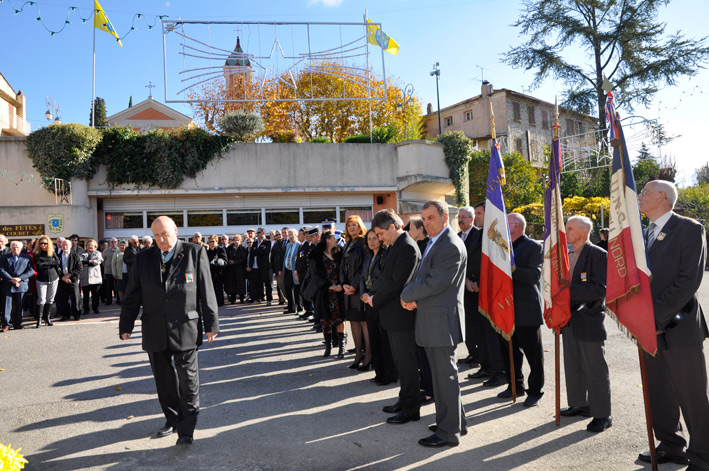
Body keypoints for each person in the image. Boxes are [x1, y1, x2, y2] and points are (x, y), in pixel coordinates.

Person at [119, 216, 219, 446]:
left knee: (188, 380)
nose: (161, 239)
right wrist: (126, 325)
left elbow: (207, 289)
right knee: (163, 381)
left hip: (185, 326)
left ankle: (186, 430)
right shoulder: (143, 258)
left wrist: (212, 324)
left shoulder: (194, 252)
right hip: (154, 328)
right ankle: (172, 419)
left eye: (165, 233)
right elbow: (133, 294)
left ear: (175, 230)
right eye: (156, 235)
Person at [637, 180, 709, 469]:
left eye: (644, 193)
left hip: (679, 327)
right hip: (647, 329)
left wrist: (654, 317)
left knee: (691, 395)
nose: (639, 197)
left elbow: (688, 281)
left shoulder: (690, 229)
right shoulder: (643, 234)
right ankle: (671, 445)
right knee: (659, 392)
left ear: (663, 197)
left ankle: (703, 456)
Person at [400, 200, 467, 448]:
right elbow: (429, 280)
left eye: (430, 217)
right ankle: (456, 422)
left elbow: (434, 282)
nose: (426, 223)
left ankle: (449, 432)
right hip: (434, 317)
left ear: (445, 216)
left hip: (440, 322)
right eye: (424, 219)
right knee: (443, 377)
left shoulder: (449, 244)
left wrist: (407, 295)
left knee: (444, 378)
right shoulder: (437, 241)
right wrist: (414, 299)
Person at [364, 209, 422, 425]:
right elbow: (385, 278)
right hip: (392, 314)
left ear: (392, 227)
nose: (379, 238)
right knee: (400, 361)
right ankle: (404, 399)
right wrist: (373, 295)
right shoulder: (396, 246)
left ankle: (411, 408)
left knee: (406, 363)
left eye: (380, 233)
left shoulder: (406, 247)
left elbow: (398, 283)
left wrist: (374, 300)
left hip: (401, 315)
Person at [560, 216, 612, 433]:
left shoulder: (598, 254)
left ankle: (602, 414)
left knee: (595, 368)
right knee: (573, 364)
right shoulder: (564, 254)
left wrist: (565, 294)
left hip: (588, 318)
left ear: (583, 231)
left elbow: (600, 289)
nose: (566, 232)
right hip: (568, 319)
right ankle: (579, 404)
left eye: (570, 228)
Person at [499, 213, 545, 407]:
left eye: (506, 223)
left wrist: (511, 267)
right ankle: (514, 385)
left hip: (526, 309)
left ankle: (535, 390)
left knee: (533, 353)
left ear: (516, 226)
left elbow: (534, 276)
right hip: (505, 308)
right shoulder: (500, 245)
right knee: (509, 351)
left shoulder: (534, 247)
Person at [466, 202, 507, 387]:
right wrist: (468, 280)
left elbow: (495, 264)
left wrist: (480, 283)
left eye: (479, 213)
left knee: (492, 334)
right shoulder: (475, 234)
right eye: (475, 213)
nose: (477, 216)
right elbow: (468, 259)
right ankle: (486, 365)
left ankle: (499, 370)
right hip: (473, 289)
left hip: (490, 291)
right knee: (479, 331)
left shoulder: (495, 234)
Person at [360, 228, 397, 382]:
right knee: (374, 339)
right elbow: (362, 276)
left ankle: (389, 375)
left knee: (384, 341)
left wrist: (372, 295)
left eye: (375, 238)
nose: (372, 241)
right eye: (369, 239)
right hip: (368, 301)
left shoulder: (385, 255)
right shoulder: (368, 256)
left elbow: (383, 279)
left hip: (380, 300)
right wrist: (363, 293)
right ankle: (379, 373)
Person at [309, 232, 345, 357]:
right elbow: (314, 274)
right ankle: (328, 347)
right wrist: (327, 286)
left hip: (339, 291)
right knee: (326, 320)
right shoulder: (316, 254)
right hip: (325, 292)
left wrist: (341, 284)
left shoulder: (340, 252)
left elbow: (344, 270)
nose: (336, 240)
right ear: (328, 240)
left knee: (340, 318)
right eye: (334, 238)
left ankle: (341, 347)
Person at [340, 215, 369, 370]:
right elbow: (342, 267)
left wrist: (354, 286)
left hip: (359, 289)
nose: (351, 228)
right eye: (349, 225)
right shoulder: (347, 243)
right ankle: (358, 355)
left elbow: (364, 268)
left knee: (363, 322)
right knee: (353, 322)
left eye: (354, 225)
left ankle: (368, 356)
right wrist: (344, 284)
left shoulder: (363, 243)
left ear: (360, 227)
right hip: (348, 290)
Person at [456, 206, 480, 367]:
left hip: (476, 286)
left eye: (464, 217)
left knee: (476, 322)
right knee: (466, 323)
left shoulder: (478, 235)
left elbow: (479, 261)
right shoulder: (457, 237)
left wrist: (475, 281)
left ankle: (480, 355)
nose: (460, 220)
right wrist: (464, 280)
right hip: (462, 286)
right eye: (459, 217)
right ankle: (472, 353)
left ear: (472, 219)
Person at [0, 241, 35, 330]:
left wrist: (20, 278)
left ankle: (18, 323)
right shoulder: (4, 257)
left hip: (21, 284)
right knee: (6, 306)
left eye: (17, 247)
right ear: (10, 248)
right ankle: (6, 324)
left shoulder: (26, 258)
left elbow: (31, 271)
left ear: (21, 248)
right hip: (8, 284)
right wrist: (11, 279)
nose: (16, 249)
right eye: (14, 247)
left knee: (20, 305)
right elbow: (1, 270)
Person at [32, 235, 60, 328]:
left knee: (50, 299)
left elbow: (58, 262)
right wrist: (51, 262)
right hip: (41, 279)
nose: (43, 245)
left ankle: (47, 318)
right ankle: (39, 320)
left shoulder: (51, 252)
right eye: (41, 243)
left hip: (53, 277)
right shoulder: (36, 253)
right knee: (41, 300)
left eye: (45, 243)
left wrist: (46, 263)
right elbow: (39, 266)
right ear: (38, 244)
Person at [57, 239, 82, 321]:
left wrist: (69, 275)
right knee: (64, 298)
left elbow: (79, 268)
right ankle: (65, 315)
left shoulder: (75, 255)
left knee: (75, 298)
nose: (64, 246)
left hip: (73, 280)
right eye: (63, 245)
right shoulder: (58, 256)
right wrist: (63, 278)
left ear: (70, 246)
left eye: (66, 245)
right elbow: (56, 268)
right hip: (62, 280)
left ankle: (77, 315)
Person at [80, 239, 104, 315]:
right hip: (85, 276)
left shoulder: (98, 253)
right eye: (88, 245)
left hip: (95, 277)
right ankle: (86, 310)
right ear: (86, 246)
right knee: (86, 296)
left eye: (92, 245)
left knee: (95, 295)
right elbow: (80, 263)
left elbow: (97, 262)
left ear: (95, 246)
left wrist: (87, 263)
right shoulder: (82, 253)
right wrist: (91, 261)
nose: (90, 246)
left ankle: (95, 309)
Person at [250, 228, 273, 305]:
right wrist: (259, 250)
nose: (257, 234)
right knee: (257, 283)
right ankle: (258, 298)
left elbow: (266, 251)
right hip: (256, 266)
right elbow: (252, 252)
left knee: (267, 283)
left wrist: (257, 250)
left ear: (263, 233)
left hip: (265, 266)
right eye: (257, 232)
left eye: (258, 232)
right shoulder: (255, 243)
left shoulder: (268, 242)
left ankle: (269, 299)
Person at [283, 229, 302, 314]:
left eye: (292, 235)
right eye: (289, 235)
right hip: (287, 270)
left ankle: (300, 308)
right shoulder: (288, 245)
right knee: (288, 289)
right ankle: (291, 308)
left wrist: (297, 270)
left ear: (296, 235)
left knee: (297, 290)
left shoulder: (299, 245)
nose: (290, 237)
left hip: (295, 271)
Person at [206, 235, 228, 306]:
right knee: (211, 289)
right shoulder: (207, 250)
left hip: (218, 272)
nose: (212, 243)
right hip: (210, 272)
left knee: (218, 288)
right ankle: (212, 302)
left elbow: (225, 261)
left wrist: (217, 260)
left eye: (213, 241)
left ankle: (220, 303)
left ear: (216, 241)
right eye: (210, 241)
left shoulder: (220, 249)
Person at [225, 234, 247, 304]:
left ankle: (241, 298)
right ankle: (232, 298)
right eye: (235, 240)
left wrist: (235, 262)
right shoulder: (229, 248)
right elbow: (226, 256)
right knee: (232, 284)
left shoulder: (242, 249)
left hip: (239, 269)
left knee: (240, 284)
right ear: (233, 241)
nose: (236, 242)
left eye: (238, 240)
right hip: (231, 269)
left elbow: (243, 258)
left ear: (240, 241)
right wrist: (229, 261)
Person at [270, 229, 287, 306]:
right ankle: (281, 299)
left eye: (279, 234)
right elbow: (273, 258)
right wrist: (276, 269)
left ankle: (287, 300)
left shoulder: (286, 243)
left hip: (285, 268)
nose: (278, 236)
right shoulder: (275, 245)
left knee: (285, 286)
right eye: (276, 235)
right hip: (278, 269)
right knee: (279, 286)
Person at [102, 238, 118, 305]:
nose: (113, 243)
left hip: (117, 271)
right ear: (110, 243)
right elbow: (103, 260)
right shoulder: (106, 250)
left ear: (117, 242)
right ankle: (109, 301)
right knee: (109, 287)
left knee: (117, 286)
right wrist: (106, 266)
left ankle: (119, 300)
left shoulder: (119, 250)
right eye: (112, 242)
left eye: (115, 241)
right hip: (108, 271)